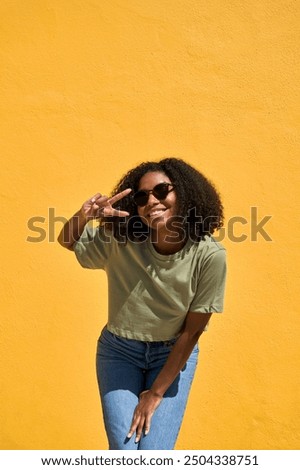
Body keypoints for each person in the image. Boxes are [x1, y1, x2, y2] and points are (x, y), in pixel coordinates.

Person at [58, 157, 226, 450]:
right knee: (124, 453)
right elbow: (68, 241)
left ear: (184, 193)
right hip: (119, 353)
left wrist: (156, 393)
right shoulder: (122, 240)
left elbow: (192, 331)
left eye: (162, 191)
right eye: (141, 196)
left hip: (172, 355)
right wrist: (85, 215)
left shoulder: (209, 255)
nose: (152, 201)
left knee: (153, 456)